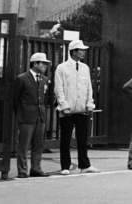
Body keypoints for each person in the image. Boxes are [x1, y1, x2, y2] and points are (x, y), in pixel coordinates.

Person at [54, 39, 100, 175]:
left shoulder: (85, 67)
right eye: (81, 50)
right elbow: (59, 88)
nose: (83, 52)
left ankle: (84, 164)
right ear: (74, 51)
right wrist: (63, 105)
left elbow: (89, 88)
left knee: (82, 137)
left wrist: (89, 103)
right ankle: (65, 166)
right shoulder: (62, 68)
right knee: (66, 138)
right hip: (67, 109)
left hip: (82, 109)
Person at [13, 53, 53, 178]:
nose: (45, 66)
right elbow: (15, 99)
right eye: (43, 63)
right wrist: (20, 113)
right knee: (24, 145)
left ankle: (36, 168)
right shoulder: (22, 78)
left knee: (38, 144)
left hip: (40, 115)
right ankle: (22, 170)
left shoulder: (45, 79)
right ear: (35, 64)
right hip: (26, 115)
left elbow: (47, 98)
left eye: (46, 64)